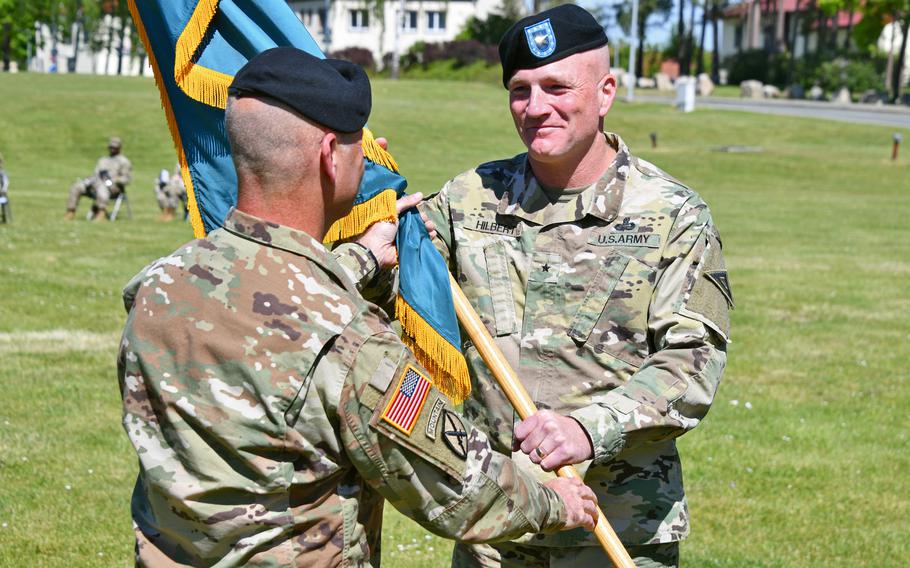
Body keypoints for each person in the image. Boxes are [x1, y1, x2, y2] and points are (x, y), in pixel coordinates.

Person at [118, 47, 598, 567]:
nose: (368, 160)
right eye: (360, 150)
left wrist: (363, 257)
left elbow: (266, 306)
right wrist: (557, 501)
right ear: (329, 155)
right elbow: (459, 485)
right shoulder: (353, 343)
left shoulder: (160, 283)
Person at [361, 5, 733, 567]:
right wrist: (355, 194)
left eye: (557, 87)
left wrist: (588, 429)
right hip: (497, 524)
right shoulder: (469, 200)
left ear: (605, 92)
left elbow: (693, 363)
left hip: (613, 528)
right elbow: (400, 289)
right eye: (520, 89)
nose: (536, 108)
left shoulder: (672, 215)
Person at [65, 136, 132, 221]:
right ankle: (71, 211)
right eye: (111, 147)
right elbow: (96, 174)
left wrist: (114, 180)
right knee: (77, 186)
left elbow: (127, 179)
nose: (112, 149)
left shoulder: (124, 162)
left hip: (113, 188)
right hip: (96, 184)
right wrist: (89, 179)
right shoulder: (103, 160)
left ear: (119, 148)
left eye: (115, 147)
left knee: (102, 187)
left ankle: (101, 213)